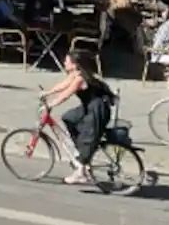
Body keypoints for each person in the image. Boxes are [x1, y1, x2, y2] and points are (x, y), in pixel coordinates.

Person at [43, 50, 115, 185]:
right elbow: (63, 86)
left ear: (75, 64)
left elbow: (66, 94)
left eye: (67, 61)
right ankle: (81, 153)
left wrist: (51, 104)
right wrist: (48, 92)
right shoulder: (75, 74)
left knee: (87, 137)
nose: (64, 63)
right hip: (89, 105)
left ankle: (81, 172)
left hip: (97, 109)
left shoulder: (80, 78)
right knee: (69, 118)